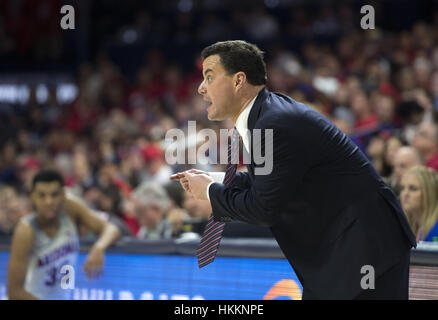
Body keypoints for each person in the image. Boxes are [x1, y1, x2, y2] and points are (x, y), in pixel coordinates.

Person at [171, 40, 416, 299]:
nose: (200, 88)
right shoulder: (266, 115)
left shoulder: (274, 123)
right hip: (347, 250)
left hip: (365, 249)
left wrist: (210, 191)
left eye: (209, 77)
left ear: (238, 81)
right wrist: (216, 178)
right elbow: (271, 183)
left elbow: (263, 208)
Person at [7, 169, 121, 300]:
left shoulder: (71, 209)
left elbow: (112, 228)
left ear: (63, 195)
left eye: (54, 195)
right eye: (42, 195)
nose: (48, 201)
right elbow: (14, 292)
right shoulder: (26, 231)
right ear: (33, 197)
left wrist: (99, 247)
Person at [400, 165, 438, 242]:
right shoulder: (405, 226)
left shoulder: (435, 229)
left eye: (413, 189)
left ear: (429, 193)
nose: (405, 194)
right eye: (402, 188)